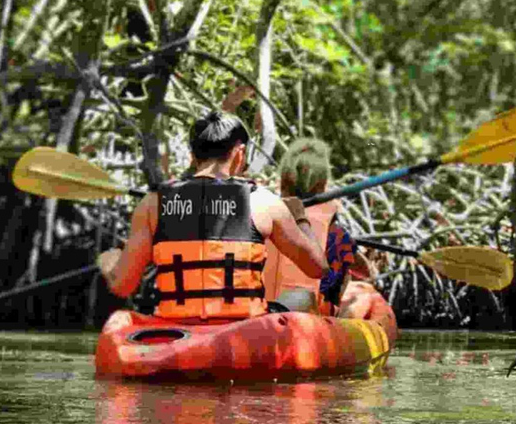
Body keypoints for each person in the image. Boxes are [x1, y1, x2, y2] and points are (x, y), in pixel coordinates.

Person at [97, 111, 328, 322]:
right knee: (301, 297)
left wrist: (109, 259)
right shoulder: (264, 202)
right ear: (240, 154)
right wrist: (300, 217)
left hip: (177, 331)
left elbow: (122, 286)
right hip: (246, 332)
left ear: (193, 156)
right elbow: (317, 268)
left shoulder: (152, 204)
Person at [262, 138, 378, 317]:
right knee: (364, 292)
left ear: (283, 182)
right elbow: (366, 273)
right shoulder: (336, 236)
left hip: (261, 314)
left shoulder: (260, 219)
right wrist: (369, 259)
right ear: (323, 185)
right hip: (310, 319)